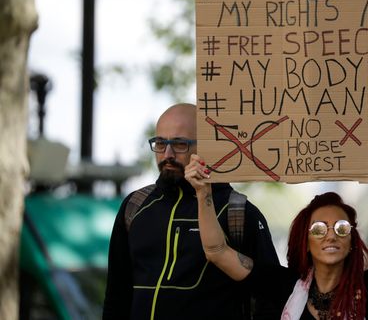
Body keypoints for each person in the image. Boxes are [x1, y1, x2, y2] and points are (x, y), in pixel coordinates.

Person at [184, 148, 368, 319]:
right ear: (305, 242)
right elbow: (217, 252)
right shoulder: (282, 285)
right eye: (319, 229)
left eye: (341, 229)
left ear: (352, 241)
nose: (331, 236)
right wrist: (202, 193)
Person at [103, 103, 281, 320]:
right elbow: (116, 297)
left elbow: (272, 296)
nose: (167, 154)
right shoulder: (135, 206)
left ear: (205, 146)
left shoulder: (239, 213)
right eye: (160, 143)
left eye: (179, 144)